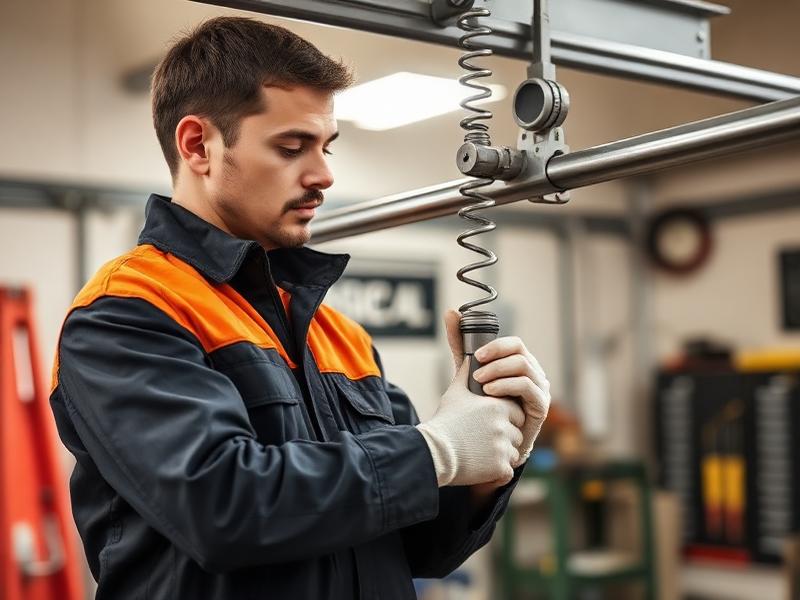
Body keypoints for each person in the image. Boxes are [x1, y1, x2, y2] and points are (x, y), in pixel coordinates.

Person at [49, 16, 551, 600]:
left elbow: (421, 547)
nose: (324, 175)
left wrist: (489, 459)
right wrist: (435, 449)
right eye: (292, 147)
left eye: (326, 146)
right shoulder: (127, 314)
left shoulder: (337, 333)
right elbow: (222, 507)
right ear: (198, 146)